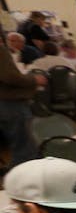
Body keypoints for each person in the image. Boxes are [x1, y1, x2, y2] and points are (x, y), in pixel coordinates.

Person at [0, 44, 44, 200]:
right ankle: (26, 193)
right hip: (10, 103)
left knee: (16, 147)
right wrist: (33, 79)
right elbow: (9, 76)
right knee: (24, 149)